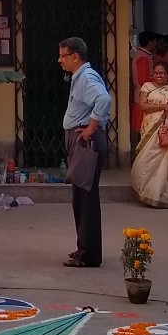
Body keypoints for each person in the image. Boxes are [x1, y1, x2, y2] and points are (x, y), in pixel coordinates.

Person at [60, 37, 111, 268]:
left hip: (85, 140)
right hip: (78, 138)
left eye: (63, 56)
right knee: (80, 197)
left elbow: (103, 99)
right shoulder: (78, 77)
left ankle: (89, 254)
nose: (59, 60)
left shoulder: (87, 77)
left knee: (86, 198)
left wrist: (91, 126)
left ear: (75, 57)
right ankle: (84, 248)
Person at [130, 58, 168, 207]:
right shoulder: (147, 87)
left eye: (162, 73)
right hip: (150, 129)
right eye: (156, 73)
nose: (159, 76)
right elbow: (143, 106)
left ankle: (165, 196)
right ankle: (148, 193)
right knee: (146, 160)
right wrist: (164, 107)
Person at [130, 31, 160, 153]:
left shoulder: (143, 55)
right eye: (155, 42)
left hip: (143, 94)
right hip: (143, 96)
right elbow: (143, 79)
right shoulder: (143, 57)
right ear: (150, 43)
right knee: (141, 126)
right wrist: (159, 78)